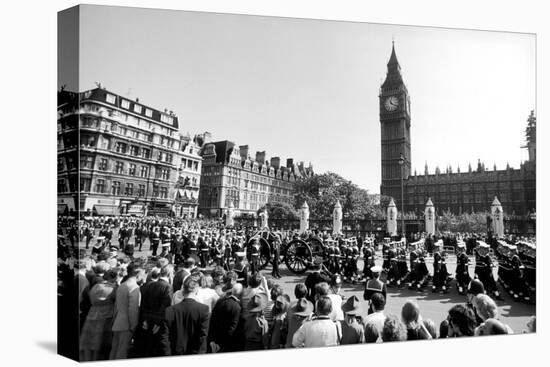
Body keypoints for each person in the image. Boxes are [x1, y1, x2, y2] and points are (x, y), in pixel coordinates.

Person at [161, 276, 210, 355]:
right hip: (194, 353)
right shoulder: (203, 310)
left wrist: (167, 354)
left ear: (183, 290)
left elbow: (164, 337)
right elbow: (203, 336)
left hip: (175, 352)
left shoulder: (170, 311)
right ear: (197, 291)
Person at [133, 266, 173, 357]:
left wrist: (145, 320)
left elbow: (145, 303)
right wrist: (158, 323)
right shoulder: (168, 287)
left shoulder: (150, 285)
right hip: (158, 323)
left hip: (148, 321)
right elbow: (165, 306)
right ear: (169, 274)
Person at [79, 268, 119, 361]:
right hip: (106, 317)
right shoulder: (113, 288)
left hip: (92, 314)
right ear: (114, 277)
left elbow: (90, 297)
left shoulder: (96, 286)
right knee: (102, 342)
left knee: (90, 341)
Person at [110, 264, 144, 359]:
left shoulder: (122, 285)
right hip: (127, 324)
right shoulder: (135, 288)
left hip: (117, 321)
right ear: (137, 275)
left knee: (114, 349)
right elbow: (133, 310)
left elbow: (116, 306)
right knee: (122, 352)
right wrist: (133, 326)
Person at [208, 283, 243, 353]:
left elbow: (213, 318)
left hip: (216, 337)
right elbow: (233, 326)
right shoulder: (236, 307)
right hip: (227, 341)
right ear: (240, 293)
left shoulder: (221, 301)